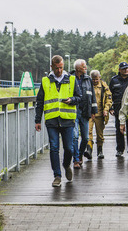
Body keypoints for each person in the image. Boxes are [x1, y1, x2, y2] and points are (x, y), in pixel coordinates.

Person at [35, 55, 81, 187]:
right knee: (54, 148)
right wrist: (37, 120)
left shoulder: (71, 80)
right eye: (56, 68)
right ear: (52, 67)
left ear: (63, 66)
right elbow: (40, 102)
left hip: (67, 120)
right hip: (52, 120)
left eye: (61, 68)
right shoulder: (45, 81)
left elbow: (79, 97)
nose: (59, 70)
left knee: (69, 148)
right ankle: (57, 176)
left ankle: (66, 165)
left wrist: (71, 100)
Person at [72, 59, 97, 168]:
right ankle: (76, 159)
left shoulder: (88, 80)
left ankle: (80, 154)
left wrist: (94, 111)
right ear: (78, 68)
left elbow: (92, 96)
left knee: (86, 138)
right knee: (75, 136)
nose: (86, 68)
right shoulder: (70, 78)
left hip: (85, 112)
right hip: (74, 111)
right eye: (84, 66)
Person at [109, 62, 128, 158]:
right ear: (119, 70)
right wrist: (110, 107)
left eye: (127, 68)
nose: (126, 70)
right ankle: (120, 149)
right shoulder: (114, 80)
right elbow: (110, 95)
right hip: (118, 108)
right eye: (123, 68)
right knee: (119, 129)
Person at [88, 70, 112, 159]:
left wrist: (106, 109)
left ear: (99, 77)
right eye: (93, 79)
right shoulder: (88, 85)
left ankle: (100, 150)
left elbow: (109, 99)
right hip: (89, 114)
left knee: (100, 134)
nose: (95, 81)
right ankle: (89, 150)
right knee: (88, 132)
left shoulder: (104, 86)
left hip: (100, 113)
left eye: (96, 79)